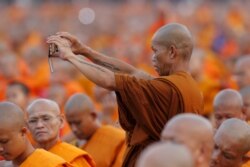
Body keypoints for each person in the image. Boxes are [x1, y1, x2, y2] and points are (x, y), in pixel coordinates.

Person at [47, 23, 203, 167]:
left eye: (155, 51)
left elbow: (110, 80)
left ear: (172, 52)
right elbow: (133, 73)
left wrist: (70, 57)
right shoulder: (191, 88)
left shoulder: (164, 89)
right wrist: (85, 51)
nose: (152, 58)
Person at [26, 98, 95, 167]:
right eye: (33, 121)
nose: (39, 125)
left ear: (61, 121)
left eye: (46, 119)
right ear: (27, 126)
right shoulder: (26, 160)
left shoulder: (74, 158)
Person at [0, 101, 72, 167]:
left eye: (4, 141)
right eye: (33, 120)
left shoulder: (50, 165)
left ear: (23, 132)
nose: (0, 149)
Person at [64, 93, 126, 167]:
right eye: (70, 124)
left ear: (93, 115)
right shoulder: (72, 146)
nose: (74, 129)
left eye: (78, 123)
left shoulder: (117, 138)